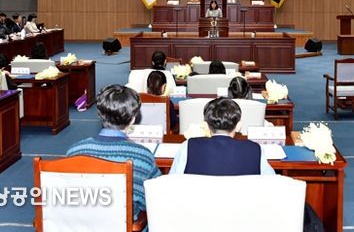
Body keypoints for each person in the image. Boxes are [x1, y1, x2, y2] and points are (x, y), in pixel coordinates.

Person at [66, 85, 161, 217]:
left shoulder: (74, 152)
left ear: (99, 115)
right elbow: (155, 198)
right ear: (133, 119)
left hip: (81, 222)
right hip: (125, 223)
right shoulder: (142, 156)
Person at [170, 97, 274, 175]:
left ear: (205, 125)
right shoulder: (255, 149)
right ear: (239, 126)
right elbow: (272, 183)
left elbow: (172, 182)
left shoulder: (187, 146)